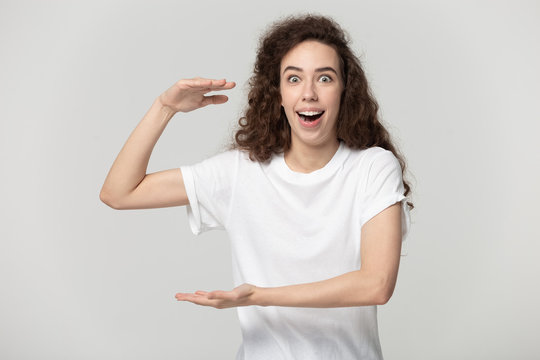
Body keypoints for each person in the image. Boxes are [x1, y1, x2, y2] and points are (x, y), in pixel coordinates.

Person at [100, 14, 412, 360]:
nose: (308, 93)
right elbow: (119, 192)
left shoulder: (372, 168)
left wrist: (259, 295)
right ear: (278, 94)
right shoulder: (240, 172)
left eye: (325, 78)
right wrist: (164, 108)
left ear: (344, 90)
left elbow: (376, 284)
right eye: (294, 78)